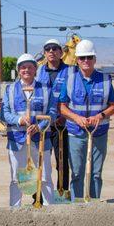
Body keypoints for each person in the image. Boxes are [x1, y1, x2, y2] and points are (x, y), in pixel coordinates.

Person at [59, 40, 114, 200]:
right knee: (77, 173)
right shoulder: (70, 80)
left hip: (99, 133)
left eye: (89, 57)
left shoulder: (105, 80)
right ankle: (77, 207)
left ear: (95, 59)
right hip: (76, 133)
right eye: (82, 57)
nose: (86, 61)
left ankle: (94, 206)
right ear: (77, 60)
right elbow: (62, 107)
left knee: (96, 173)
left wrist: (101, 116)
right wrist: (76, 118)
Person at [0, 53, 57, 208]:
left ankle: (48, 209)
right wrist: (18, 120)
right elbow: (3, 114)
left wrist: (39, 127)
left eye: (30, 67)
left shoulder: (45, 89)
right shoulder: (10, 89)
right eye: (23, 67)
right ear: (19, 70)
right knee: (16, 178)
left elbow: (52, 112)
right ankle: (15, 210)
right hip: (17, 140)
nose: (26, 70)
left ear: (35, 69)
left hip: (41, 140)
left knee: (44, 176)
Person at [37, 39, 74, 198]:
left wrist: (65, 116)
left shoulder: (71, 71)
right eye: (47, 49)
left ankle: (62, 194)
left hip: (63, 124)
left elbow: (74, 95)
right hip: (43, 125)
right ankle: (39, 196)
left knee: (62, 162)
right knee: (42, 162)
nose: (51, 51)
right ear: (45, 53)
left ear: (61, 52)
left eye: (54, 49)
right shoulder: (39, 71)